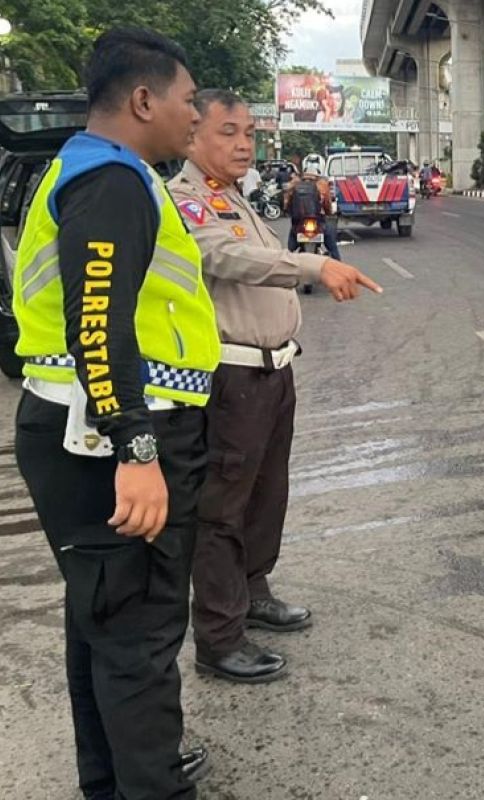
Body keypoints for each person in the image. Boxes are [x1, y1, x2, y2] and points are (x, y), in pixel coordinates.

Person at [12, 28, 217, 798]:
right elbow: (96, 324)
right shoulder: (112, 182)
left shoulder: (91, 169)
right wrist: (135, 450)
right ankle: (152, 783)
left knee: (101, 624)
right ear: (142, 100)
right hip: (109, 434)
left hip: (78, 425)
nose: (193, 117)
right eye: (188, 101)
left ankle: (116, 781)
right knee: (138, 634)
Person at [169, 89, 381, 684]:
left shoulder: (232, 196)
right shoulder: (187, 203)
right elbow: (229, 261)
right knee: (222, 509)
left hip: (272, 372)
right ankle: (218, 637)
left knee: (267, 494)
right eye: (228, 132)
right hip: (231, 376)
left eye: (249, 134)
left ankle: (253, 592)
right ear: (191, 138)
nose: (243, 144)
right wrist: (316, 265)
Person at [284, 169, 342, 260]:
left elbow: (286, 203)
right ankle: (338, 264)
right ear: (316, 176)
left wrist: (289, 211)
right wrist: (329, 213)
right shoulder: (322, 185)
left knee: (289, 248)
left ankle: (285, 262)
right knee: (331, 245)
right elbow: (327, 204)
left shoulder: (295, 184)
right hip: (318, 221)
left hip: (299, 222)